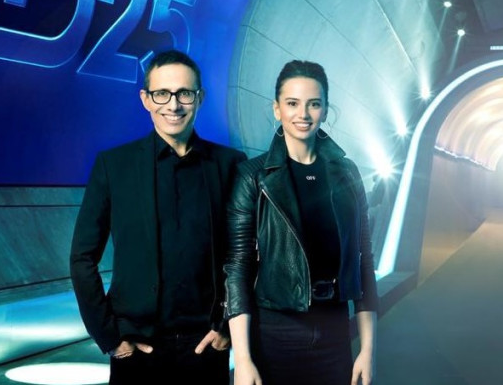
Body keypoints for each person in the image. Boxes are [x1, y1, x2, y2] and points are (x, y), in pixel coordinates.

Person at [70, 50, 246, 385]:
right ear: (146, 99)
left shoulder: (231, 165)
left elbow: (247, 252)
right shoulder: (114, 166)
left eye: (184, 93)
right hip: (137, 349)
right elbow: (82, 257)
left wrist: (228, 326)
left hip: (206, 346)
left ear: (200, 98)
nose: (173, 105)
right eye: (162, 93)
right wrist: (108, 335)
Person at [224, 60, 379, 385]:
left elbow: (363, 258)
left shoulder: (347, 173)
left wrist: (367, 349)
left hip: (335, 331)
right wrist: (243, 359)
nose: (303, 114)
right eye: (292, 103)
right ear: (277, 109)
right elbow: (237, 266)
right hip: (275, 334)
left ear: (325, 110)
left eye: (314, 104)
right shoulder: (253, 177)